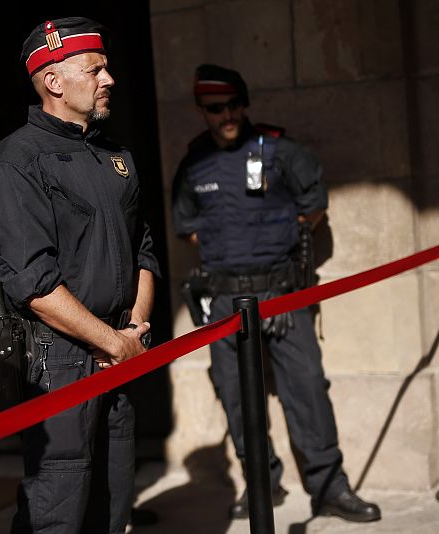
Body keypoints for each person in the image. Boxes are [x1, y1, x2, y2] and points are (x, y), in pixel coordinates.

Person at [0, 17, 160, 533]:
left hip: (119, 348)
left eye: (107, 67)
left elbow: (144, 252)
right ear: (53, 81)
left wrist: (131, 332)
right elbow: (32, 284)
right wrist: (112, 343)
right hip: (61, 362)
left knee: (114, 503)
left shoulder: (114, 153)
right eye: (94, 69)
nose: (109, 79)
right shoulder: (12, 164)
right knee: (58, 508)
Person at [171, 64, 381, 523]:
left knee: (307, 390)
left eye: (233, 105)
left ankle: (329, 486)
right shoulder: (194, 163)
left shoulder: (279, 151)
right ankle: (262, 482)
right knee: (234, 394)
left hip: (282, 293)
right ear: (202, 110)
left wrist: (272, 247)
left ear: (244, 104)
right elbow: (186, 227)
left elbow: (315, 206)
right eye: (215, 108)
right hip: (225, 301)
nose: (226, 115)